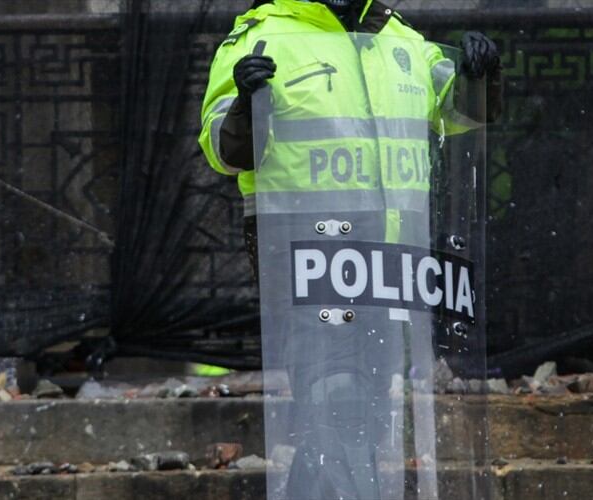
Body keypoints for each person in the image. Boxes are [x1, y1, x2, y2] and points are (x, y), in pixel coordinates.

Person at [199, 1, 500, 498]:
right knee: (338, 395)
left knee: (362, 406)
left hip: (389, 260)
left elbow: (463, 111)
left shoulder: (400, 39)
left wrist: (480, 72)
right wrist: (245, 107)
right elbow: (223, 150)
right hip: (307, 257)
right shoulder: (262, 37)